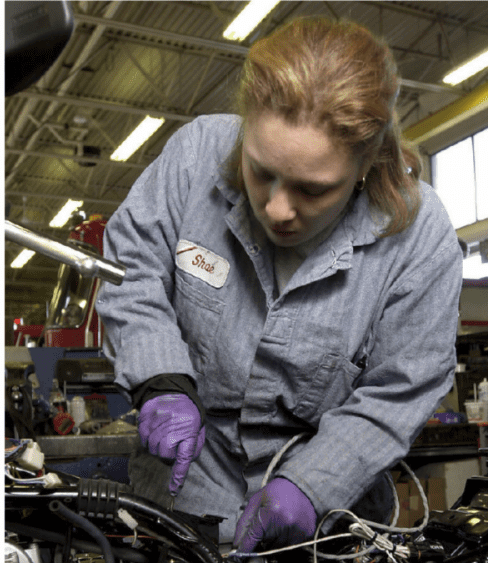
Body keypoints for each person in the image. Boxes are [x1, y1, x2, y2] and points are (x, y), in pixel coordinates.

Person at [95, 16, 462, 556]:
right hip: (179, 506)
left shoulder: (420, 236)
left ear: (366, 165)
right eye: (260, 171)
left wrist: (312, 485)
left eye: (314, 190)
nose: (277, 208)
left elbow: (399, 389)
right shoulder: (194, 157)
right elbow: (132, 270)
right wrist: (160, 379)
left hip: (329, 524)